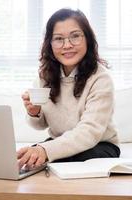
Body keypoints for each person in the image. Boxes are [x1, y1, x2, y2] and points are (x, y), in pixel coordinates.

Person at [18, 8, 120, 170]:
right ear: (50, 44)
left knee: (59, 162)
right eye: (58, 39)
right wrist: (34, 112)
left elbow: (89, 132)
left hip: (99, 144)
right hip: (60, 142)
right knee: (27, 159)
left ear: (87, 39)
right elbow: (40, 125)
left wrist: (46, 150)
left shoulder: (101, 78)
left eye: (75, 36)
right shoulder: (45, 77)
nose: (67, 45)